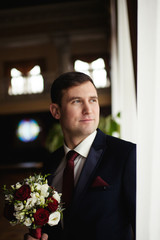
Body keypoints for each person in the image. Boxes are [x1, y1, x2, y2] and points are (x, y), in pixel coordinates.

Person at [23, 71, 136, 240]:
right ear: (56, 111)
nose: (88, 109)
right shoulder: (50, 163)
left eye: (93, 100)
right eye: (76, 101)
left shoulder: (125, 154)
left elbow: (142, 224)